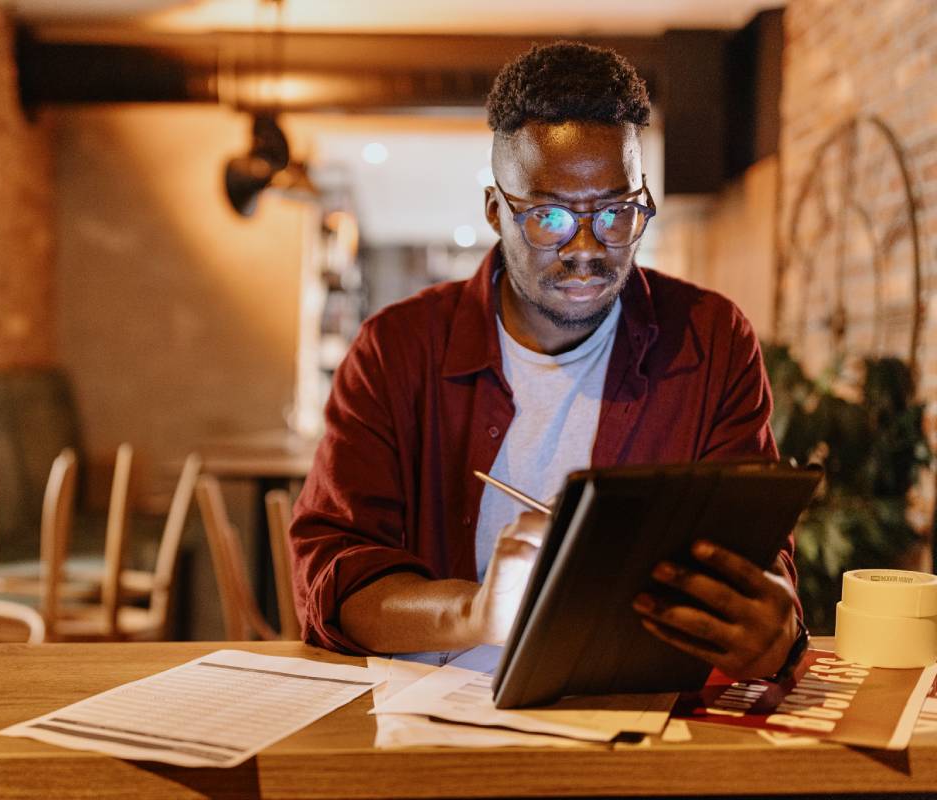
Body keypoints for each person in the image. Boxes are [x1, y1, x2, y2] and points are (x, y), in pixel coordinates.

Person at [290, 41, 805, 680]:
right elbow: (332, 578)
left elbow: (756, 566)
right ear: (494, 210)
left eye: (616, 212)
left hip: (630, 718)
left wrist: (771, 623)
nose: (586, 247)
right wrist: (476, 614)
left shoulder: (710, 341)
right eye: (550, 217)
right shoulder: (396, 350)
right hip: (428, 719)